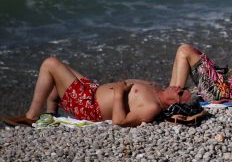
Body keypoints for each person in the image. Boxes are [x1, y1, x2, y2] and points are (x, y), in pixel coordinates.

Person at [2, 56, 189, 128]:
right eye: (183, 88)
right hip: (92, 91)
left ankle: (32, 116)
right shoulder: (157, 89)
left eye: (180, 93)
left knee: (50, 64)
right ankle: (51, 115)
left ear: (174, 105)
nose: (178, 88)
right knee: (60, 69)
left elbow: (120, 121)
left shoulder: (151, 107)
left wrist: (118, 93)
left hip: (90, 106)